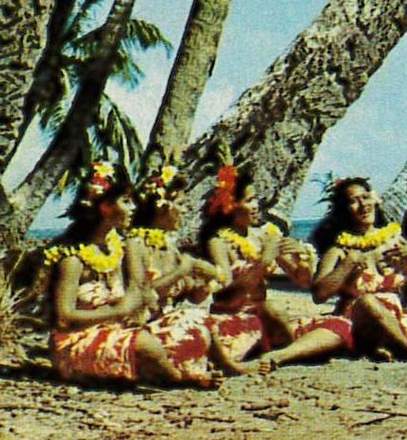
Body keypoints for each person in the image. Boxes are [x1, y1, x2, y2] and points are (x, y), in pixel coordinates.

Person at [44, 161, 218, 387]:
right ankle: (182, 378)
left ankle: (174, 368)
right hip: (75, 341)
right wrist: (120, 310)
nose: (134, 207)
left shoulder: (117, 248)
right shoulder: (73, 259)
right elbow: (64, 317)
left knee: (189, 323)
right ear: (105, 208)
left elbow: (140, 292)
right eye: (126, 201)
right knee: (147, 344)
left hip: (116, 331)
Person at [198, 158, 343, 374]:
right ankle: (293, 351)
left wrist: (301, 259)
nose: (256, 206)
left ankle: (282, 354)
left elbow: (303, 282)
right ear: (230, 207)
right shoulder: (218, 242)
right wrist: (264, 262)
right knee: (271, 308)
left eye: (256, 199)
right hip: (235, 319)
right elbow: (223, 296)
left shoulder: (266, 234)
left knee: (339, 327)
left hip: (269, 321)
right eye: (249, 200)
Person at [310, 176, 407, 364]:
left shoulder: (395, 241)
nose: (362, 204)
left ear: (374, 199)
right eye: (353, 201)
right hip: (359, 323)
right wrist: (346, 265)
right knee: (367, 301)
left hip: (397, 318)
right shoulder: (339, 250)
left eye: (365, 197)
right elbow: (319, 295)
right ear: (344, 210)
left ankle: (388, 344)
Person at [128, 162, 243, 379]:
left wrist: (202, 285)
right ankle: (228, 366)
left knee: (204, 322)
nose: (185, 210)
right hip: (143, 326)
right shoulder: (135, 244)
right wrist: (183, 270)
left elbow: (194, 295)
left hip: (166, 320)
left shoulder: (169, 246)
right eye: (181, 204)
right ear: (164, 207)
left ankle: (207, 365)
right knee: (199, 322)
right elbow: (141, 294)